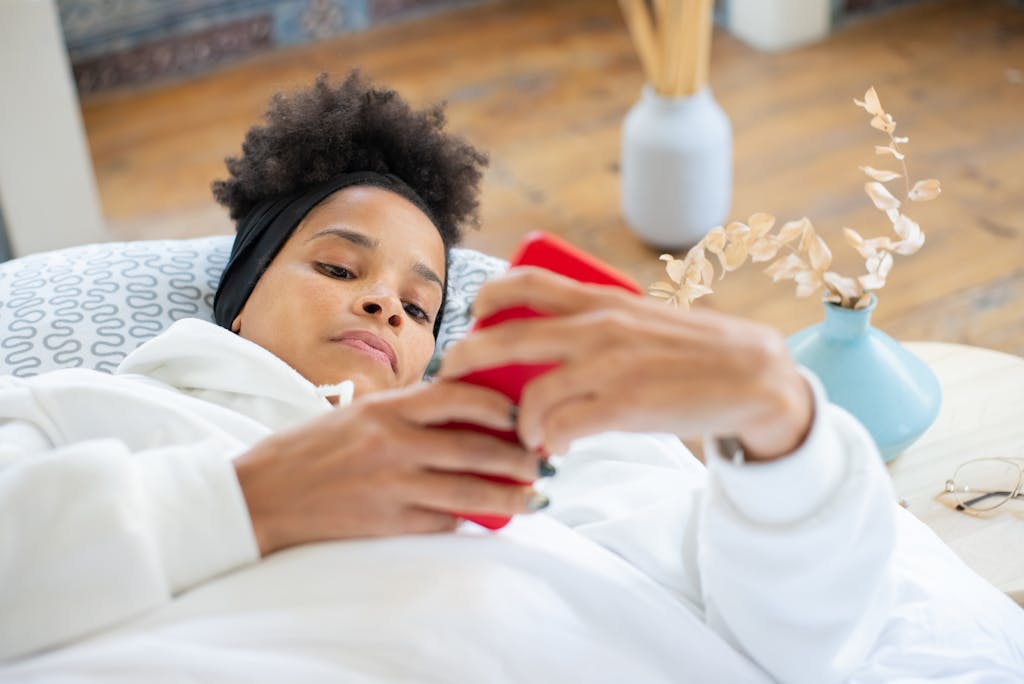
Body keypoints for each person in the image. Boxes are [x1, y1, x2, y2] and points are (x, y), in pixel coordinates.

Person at [1, 72, 1021, 684]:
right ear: (237, 297)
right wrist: (244, 502)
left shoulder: (556, 458)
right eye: (338, 268)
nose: (384, 308)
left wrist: (783, 431)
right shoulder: (89, 415)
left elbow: (796, 642)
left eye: (416, 304)